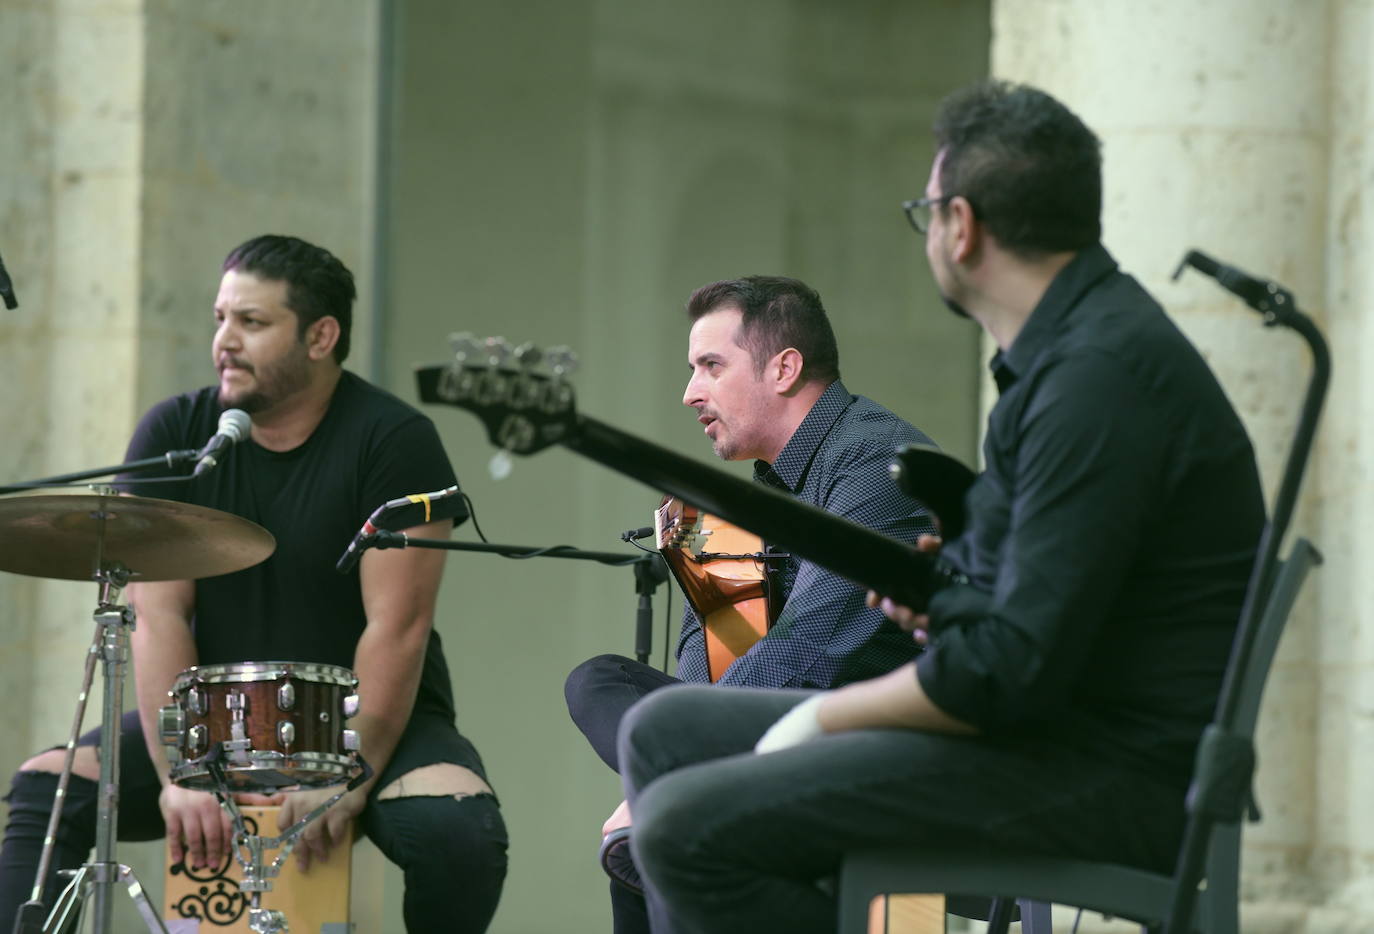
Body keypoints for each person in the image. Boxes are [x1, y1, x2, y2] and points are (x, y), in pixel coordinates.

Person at [618, 80, 1268, 934]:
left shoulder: (1095, 382)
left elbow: (1003, 673)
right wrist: (945, 600)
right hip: (1052, 738)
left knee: (683, 827)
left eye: (924, 211)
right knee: (661, 730)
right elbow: (1027, 609)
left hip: (1107, 775)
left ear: (960, 226)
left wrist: (822, 717)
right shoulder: (1066, 363)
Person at [0, 235, 508, 933]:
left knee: (460, 835)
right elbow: (161, 617)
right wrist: (182, 770)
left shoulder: (394, 440)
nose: (225, 341)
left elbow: (398, 626)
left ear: (320, 336)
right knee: (45, 792)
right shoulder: (179, 431)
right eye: (220, 319)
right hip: (213, 720)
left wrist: (349, 774)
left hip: (359, 717)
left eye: (253, 322)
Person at [563, 275, 936, 933]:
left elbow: (808, 651)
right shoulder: (766, 490)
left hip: (864, 739)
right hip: (779, 729)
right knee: (598, 680)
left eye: (710, 366)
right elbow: (703, 670)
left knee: (649, 837)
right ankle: (663, 797)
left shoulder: (875, 463)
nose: (689, 393)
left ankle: (664, 802)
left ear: (784, 368)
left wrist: (679, 758)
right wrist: (677, 749)